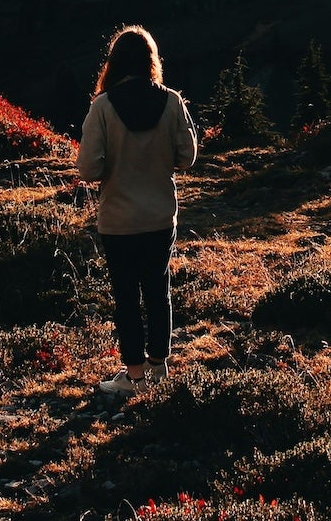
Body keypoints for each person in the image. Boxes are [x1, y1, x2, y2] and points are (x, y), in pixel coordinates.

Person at [78, 24, 197, 399]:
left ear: (113, 63)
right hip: (161, 216)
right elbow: (188, 157)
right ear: (151, 61)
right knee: (158, 291)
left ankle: (134, 376)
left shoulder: (103, 107)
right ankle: (160, 366)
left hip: (118, 220)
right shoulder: (173, 101)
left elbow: (88, 169)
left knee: (126, 298)